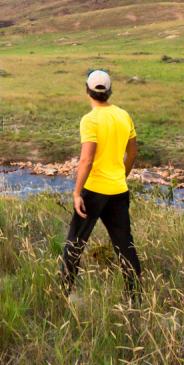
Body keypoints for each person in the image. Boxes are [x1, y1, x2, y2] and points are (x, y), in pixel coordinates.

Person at [60, 69, 142, 301]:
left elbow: (86, 160)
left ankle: (65, 294)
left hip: (94, 192)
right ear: (109, 91)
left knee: (75, 244)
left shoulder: (90, 120)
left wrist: (77, 193)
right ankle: (134, 299)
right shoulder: (124, 115)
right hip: (118, 191)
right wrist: (120, 177)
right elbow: (133, 153)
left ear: (87, 91)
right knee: (125, 247)